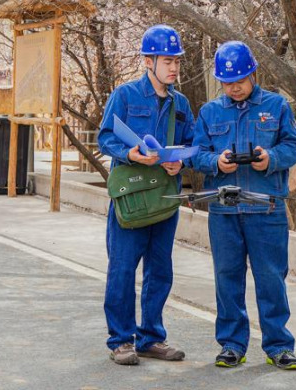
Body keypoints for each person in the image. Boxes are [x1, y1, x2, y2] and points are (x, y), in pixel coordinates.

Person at [190, 41, 296, 371]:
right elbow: (196, 155)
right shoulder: (210, 112)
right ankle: (231, 344)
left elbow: (295, 146)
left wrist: (271, 159)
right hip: (224, 212)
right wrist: (216, 162)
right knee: (227, 278)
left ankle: (279, 345)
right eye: (228, 82)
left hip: (266, 210)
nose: (234, 87)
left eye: (240, 80)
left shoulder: (277, 106)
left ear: (253, 73)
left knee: (271, 279)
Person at [97, 24, 195, 366]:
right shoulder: (124, 96)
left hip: (165, 198)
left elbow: (192, 144)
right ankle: (121, 340)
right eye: (167, 61)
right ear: (148, 61)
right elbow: (106, 138)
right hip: (132, 197)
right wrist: (131, 154)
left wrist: (178, 163)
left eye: (177, 62)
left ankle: (151, 337)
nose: (173, 68)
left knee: (160, 269)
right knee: (122, 268)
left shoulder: (181, 103)